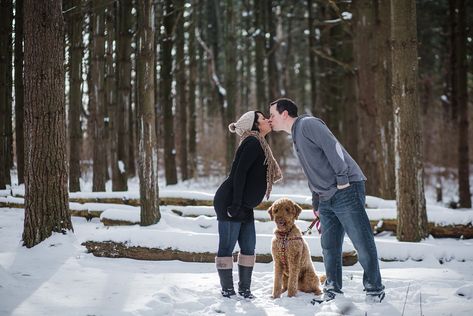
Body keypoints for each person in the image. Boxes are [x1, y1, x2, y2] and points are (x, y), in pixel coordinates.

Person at [268, 98, 385, 304]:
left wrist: (342, 179)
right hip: (325, 198)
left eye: (272, 115)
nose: (270, 120)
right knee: (329, 246)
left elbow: (333, 148)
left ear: (285, 114)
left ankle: (374, 290)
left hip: (346, 188)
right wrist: (316, 202)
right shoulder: (295, 137)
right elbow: (313, 172)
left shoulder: (308, 124)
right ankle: (332, 289)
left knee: (361, 240)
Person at [214, 110, 282, 299]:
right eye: (262, 118)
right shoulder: (252, 142)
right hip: (231, 201)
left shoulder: (259, 143)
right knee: (227, 248)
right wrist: (235, 205)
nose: (267, 120)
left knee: (248, 247)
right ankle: (227, 290)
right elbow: (239, 173)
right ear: (254, 125)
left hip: (244, 204)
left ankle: (244, 290)